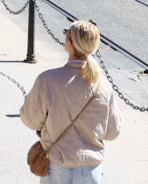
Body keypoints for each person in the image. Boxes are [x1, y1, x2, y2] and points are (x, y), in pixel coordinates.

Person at [20, 20, 121, 184]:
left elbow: (30, 119)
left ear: (69, 43)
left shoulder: (48, 80)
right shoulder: (104, 86)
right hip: (92, 170)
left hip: (58, 167)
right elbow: (113, 132)